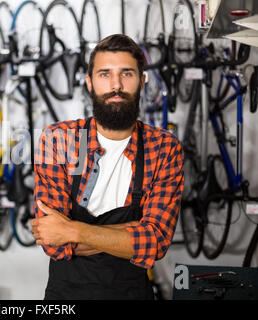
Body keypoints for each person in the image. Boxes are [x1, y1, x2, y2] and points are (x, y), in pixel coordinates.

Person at [30, 34, 184, 300]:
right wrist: (130, 236)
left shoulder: (164, 148)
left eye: (127, 74)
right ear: (90, 83)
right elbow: (52, 243)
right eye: (104, 74)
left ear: (142, 82)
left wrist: (72, 230)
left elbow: (156, 242)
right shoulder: (58, 140)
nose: (116, 85)